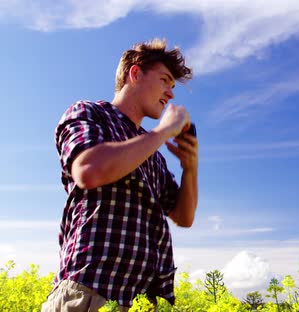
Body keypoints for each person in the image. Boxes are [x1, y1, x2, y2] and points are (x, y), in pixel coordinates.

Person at [42, 38, 198, 311]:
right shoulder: (90, 113)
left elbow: (184, 216)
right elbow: (89, 170)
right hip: (91, 291)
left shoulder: (152, 153)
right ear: (135, 73)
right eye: (164, 80)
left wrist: (190, 167)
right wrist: (162, 132)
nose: (170, 93)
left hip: (142, 302)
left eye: (173, 86)